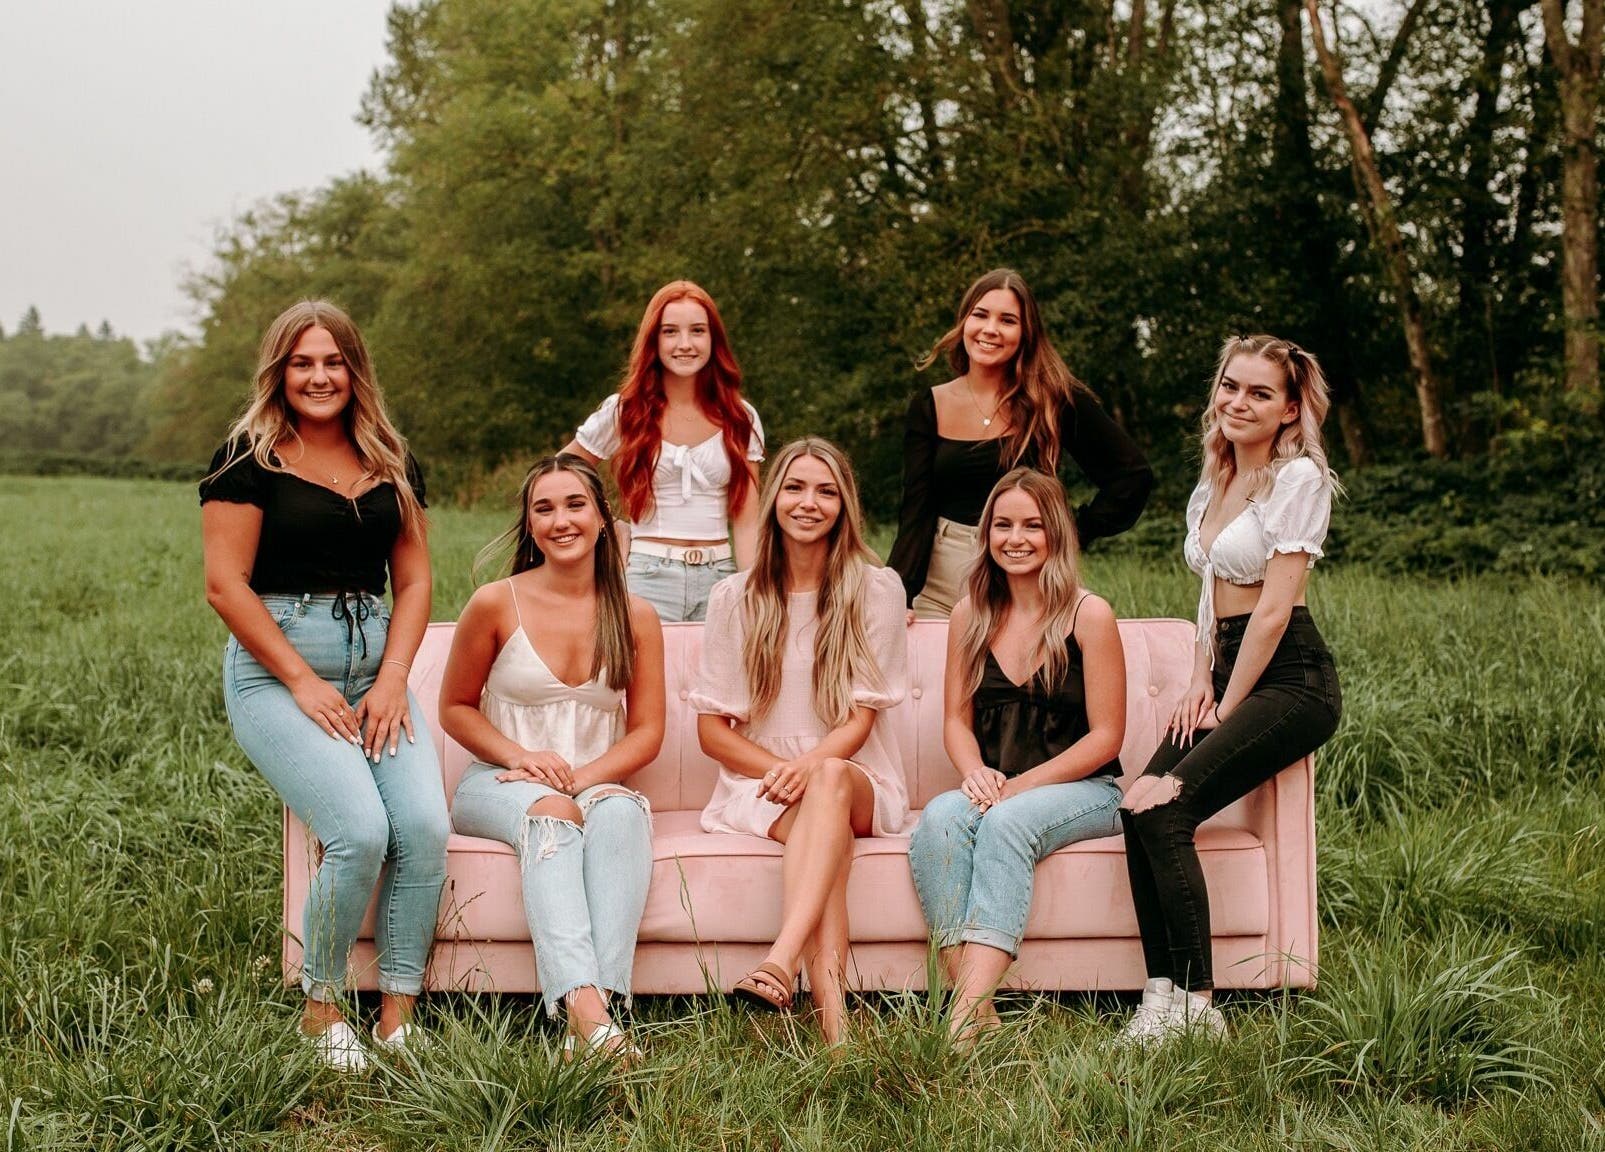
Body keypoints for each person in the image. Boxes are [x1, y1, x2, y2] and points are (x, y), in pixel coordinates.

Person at [200, 299, 449, 1072]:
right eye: (302, 362)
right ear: (280, 371)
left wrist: (393, 680)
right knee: (360, 832)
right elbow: (224, 586)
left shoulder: (390, 455)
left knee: (424, 830)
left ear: (354, 369)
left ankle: (398, 1014)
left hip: (378, 671)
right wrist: (304, 682)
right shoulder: (248, 457)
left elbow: (412, 583)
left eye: (332, 361)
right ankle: (321, 1008)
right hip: (280, 675)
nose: (318, 376)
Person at [1116, 334, 1342, 1045]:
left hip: (1288, 680)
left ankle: (1198, 1005)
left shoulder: (1297, 480)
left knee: (1168, 808)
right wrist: (1194, 679)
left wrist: (1226, 702)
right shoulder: (1210, 486)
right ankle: (1161, 995)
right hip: (1223, 669)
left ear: (1287, 409)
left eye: (1259, 393)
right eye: (1230, 387)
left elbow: (1273, 610)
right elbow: (1212, 602)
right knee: (1135, 804)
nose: (1238, 402)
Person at [439, 455, 665, 1060]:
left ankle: (593, 1020)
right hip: (499, 780)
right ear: (529, 524)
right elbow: (455, 708)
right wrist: (525, 758)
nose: (561, 520)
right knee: (551, 811)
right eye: (544, 508)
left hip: (592, 778)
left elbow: (646, 733)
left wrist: (582, 779)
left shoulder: (636, 615)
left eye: (575, 505)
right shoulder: (494, 603)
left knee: (619, 815)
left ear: (601, 518)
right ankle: (589, 1018)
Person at [691, 438, 909, 1045]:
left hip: (857, 771)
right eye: (794, 487)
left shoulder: (877, 589)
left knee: (832, 783)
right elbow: (712, 731)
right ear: (773, 498)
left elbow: (860, 722)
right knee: (824, 828)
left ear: (845, 505)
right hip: (761, 781)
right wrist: (786, 772)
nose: (808, 503)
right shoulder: (735, 597)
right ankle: (837, 1032)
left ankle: (779, 960)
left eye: (825, 490)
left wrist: (812, 765)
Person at [907, 468, 1126, 1042]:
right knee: (941, 817)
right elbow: (955, 720)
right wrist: (975, 771)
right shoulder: (969, 614)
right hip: (997, 785)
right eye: (1002, 525)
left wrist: (1018, 788)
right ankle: (978, 1011)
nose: (1015, 538)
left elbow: (1107, 738)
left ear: (1055, 533)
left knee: (1003, 822)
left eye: (1032, 525)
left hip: (1087, 790)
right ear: (986, 535)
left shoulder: (1089, 614)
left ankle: (957, 1020)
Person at [887, 268, 1153, 619]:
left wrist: (1070, 532)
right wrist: (898, 594)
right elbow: (916, 510)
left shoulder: (1053, 398)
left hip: (1028, 576)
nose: (990, 329)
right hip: (940, 581)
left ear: (1026, 333)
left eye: (1007, 320)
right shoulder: (929, 405)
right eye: (980, 315)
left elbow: (1131, 475)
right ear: (963, 321)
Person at [563, 280, 765, 622]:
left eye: (697, 331)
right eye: (670, 332)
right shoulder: (625, 411)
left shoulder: (740, 417)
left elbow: (747, 524)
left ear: (713, 339)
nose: (684, 344)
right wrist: (605, 523)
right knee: (643, 676)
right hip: (646, 577)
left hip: (722, 579)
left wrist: (753, 590)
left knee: (717, 677)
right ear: (654, 341)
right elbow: (560, 474)